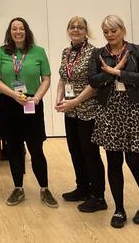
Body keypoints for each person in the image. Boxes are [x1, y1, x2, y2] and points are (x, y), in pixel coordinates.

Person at [89, 15, 139, 229]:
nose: (110, 35)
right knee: (114, 162)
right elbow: (93, 80)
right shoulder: (98, 54)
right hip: (110, 111)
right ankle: (119, 209)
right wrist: (111, 73)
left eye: (114, 31)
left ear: (122, 30)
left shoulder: (137, 51)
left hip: (135, 110)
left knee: (134, 161)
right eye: (106, 31)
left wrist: (117, 71)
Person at [0, 17, 58, 208]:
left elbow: (46, 79)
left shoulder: (39, 52)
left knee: (36, 148)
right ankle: (18, 188)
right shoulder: (2, 51)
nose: (18, 32)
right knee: (14, 148)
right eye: (14, 29)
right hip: (9, 102)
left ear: (26, 31)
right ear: (9, 32)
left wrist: (36, 98)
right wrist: (13, 95)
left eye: (21, 28)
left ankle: (44, 188)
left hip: (31, 103)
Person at [54, 16, 106, 212]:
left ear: (86, 31)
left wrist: (75, 101)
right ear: (68, 30)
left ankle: (98, 196)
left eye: (80, 27)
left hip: (87, 110)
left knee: (90, 153)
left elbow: (95, 85)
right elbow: (63, 77)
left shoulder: (94, 53)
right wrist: (59, 97)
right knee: (74, 150)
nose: (76, 30)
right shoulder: (66, 52)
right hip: (70, 111)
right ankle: (83, 188)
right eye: (72, 27)